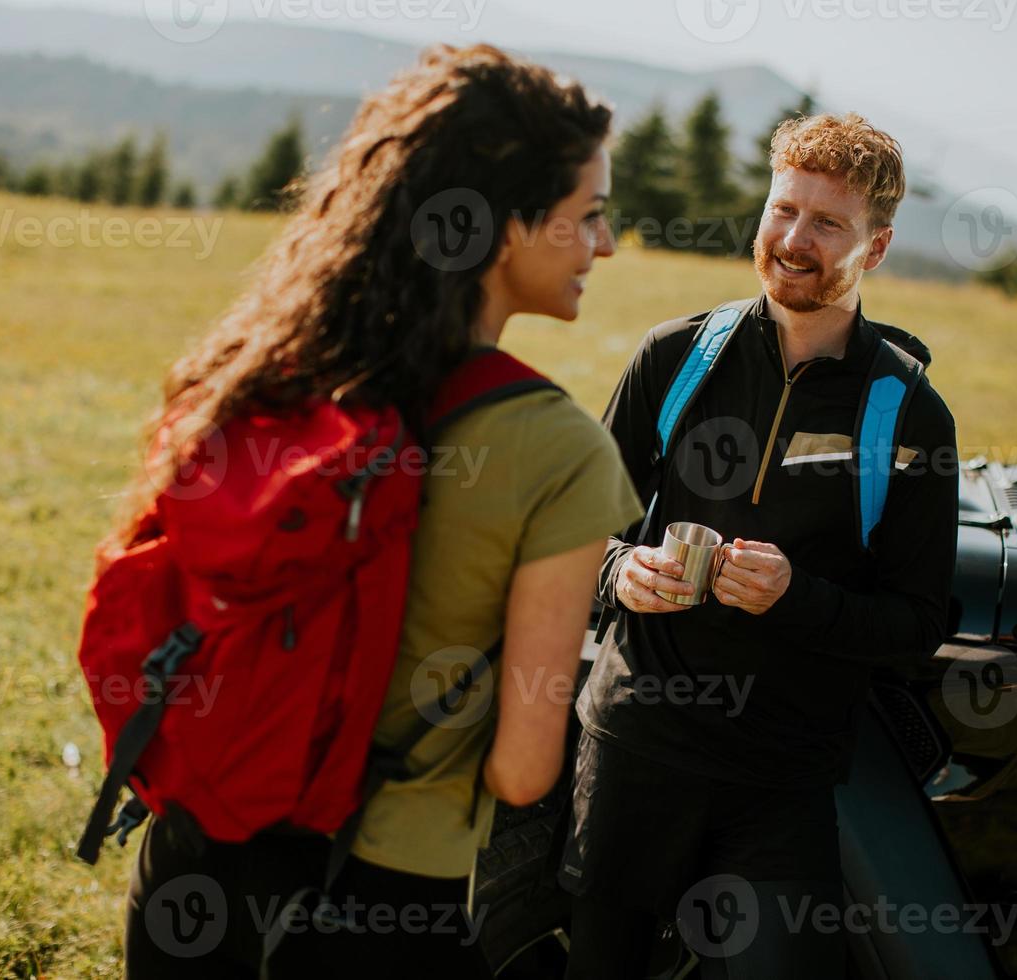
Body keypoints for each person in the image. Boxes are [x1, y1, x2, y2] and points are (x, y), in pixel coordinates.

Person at [115, 45, 641, 978]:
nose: (605, 244)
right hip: (382, 898)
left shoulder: (282, 366)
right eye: (589, 215)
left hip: (199, 851)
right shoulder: (558, 452)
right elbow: (522, 772)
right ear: (508, 228)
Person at [561, 112, 960, 979]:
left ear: (877, 247)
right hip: (635, 751)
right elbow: (580, 536)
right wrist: (624, 572)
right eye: (783, 210)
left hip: (780, 786)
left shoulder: (908, 414)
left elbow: (918, 620)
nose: (793, 239)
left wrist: (798, 598)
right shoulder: (672, 358)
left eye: (828, 224)